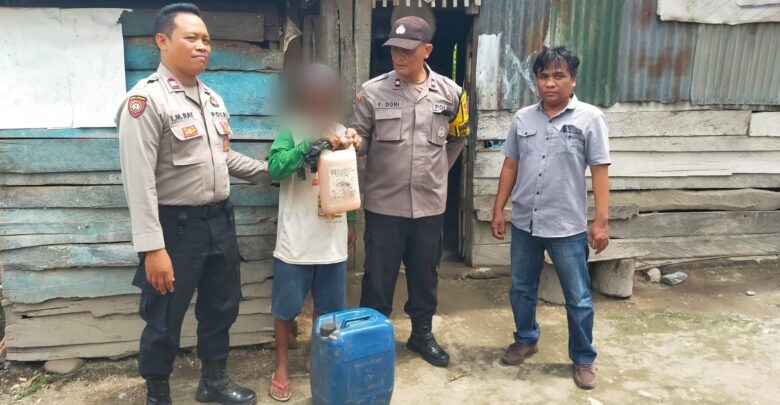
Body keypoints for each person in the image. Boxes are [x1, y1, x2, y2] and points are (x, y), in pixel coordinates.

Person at [116, 4, 267, 404]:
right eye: (192, 38)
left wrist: (271, 173)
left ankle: (213, 382)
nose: (203, 46)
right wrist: (153, 247)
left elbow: (223, 157)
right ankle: (158, 393)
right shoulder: (146, 101)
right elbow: (138, 181)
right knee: (164, 316)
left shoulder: (213, 99)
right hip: (175, 229)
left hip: (220, 222)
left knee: (221, 306)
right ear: (162, 41)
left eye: (207, 40)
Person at [350, 16, 470, 367]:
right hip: (384, 207)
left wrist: (439, 171)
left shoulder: (452, 93)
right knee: (377, 278)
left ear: (427, 50)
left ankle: (421, 334)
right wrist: (353, 141)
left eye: (407, 50)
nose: (399, 57)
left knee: (425, 276)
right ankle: (371, 340)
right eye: (394, 50)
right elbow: (361, 139)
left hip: (429, 206)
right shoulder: (372, 91)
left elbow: (459, 136)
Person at [490, 46, 611, 390]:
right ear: (536, 81)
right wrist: (498, 209)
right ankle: (526, 338)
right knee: (521, 288)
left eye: (559, 76)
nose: (550, 83)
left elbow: (600, 171)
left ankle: (583, 357)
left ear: (573, 80)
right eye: (543, 76)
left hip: (566, 226)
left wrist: (601, 222)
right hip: (525, 222)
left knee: (578, 297)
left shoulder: (590, 118)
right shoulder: (522, 119)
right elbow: (510, 165)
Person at [266, 64, 359, 402]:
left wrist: (351, 222)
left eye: (327, 93)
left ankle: (316, 355)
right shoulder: (291, 129)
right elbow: (274, 167)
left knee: (328, 309)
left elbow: (348, 181)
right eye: (314, 93)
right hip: (296, 242)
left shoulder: (342, 132)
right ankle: (282, 366)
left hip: (331, 241)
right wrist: (309, 145)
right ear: (304, 96)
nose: (321, 99)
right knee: (286, 309)